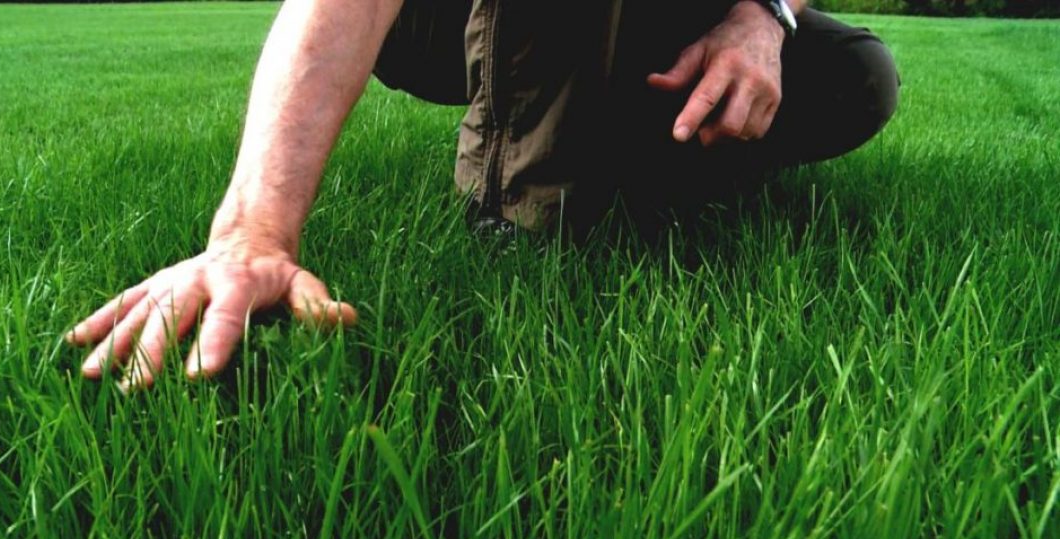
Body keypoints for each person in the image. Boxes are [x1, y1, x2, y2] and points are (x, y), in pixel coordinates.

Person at [66, 0, 899, 391]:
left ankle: (607, 132)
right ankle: (524, 236)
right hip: (437, 17)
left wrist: (763, 17)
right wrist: (253, 232)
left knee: (855, 78)